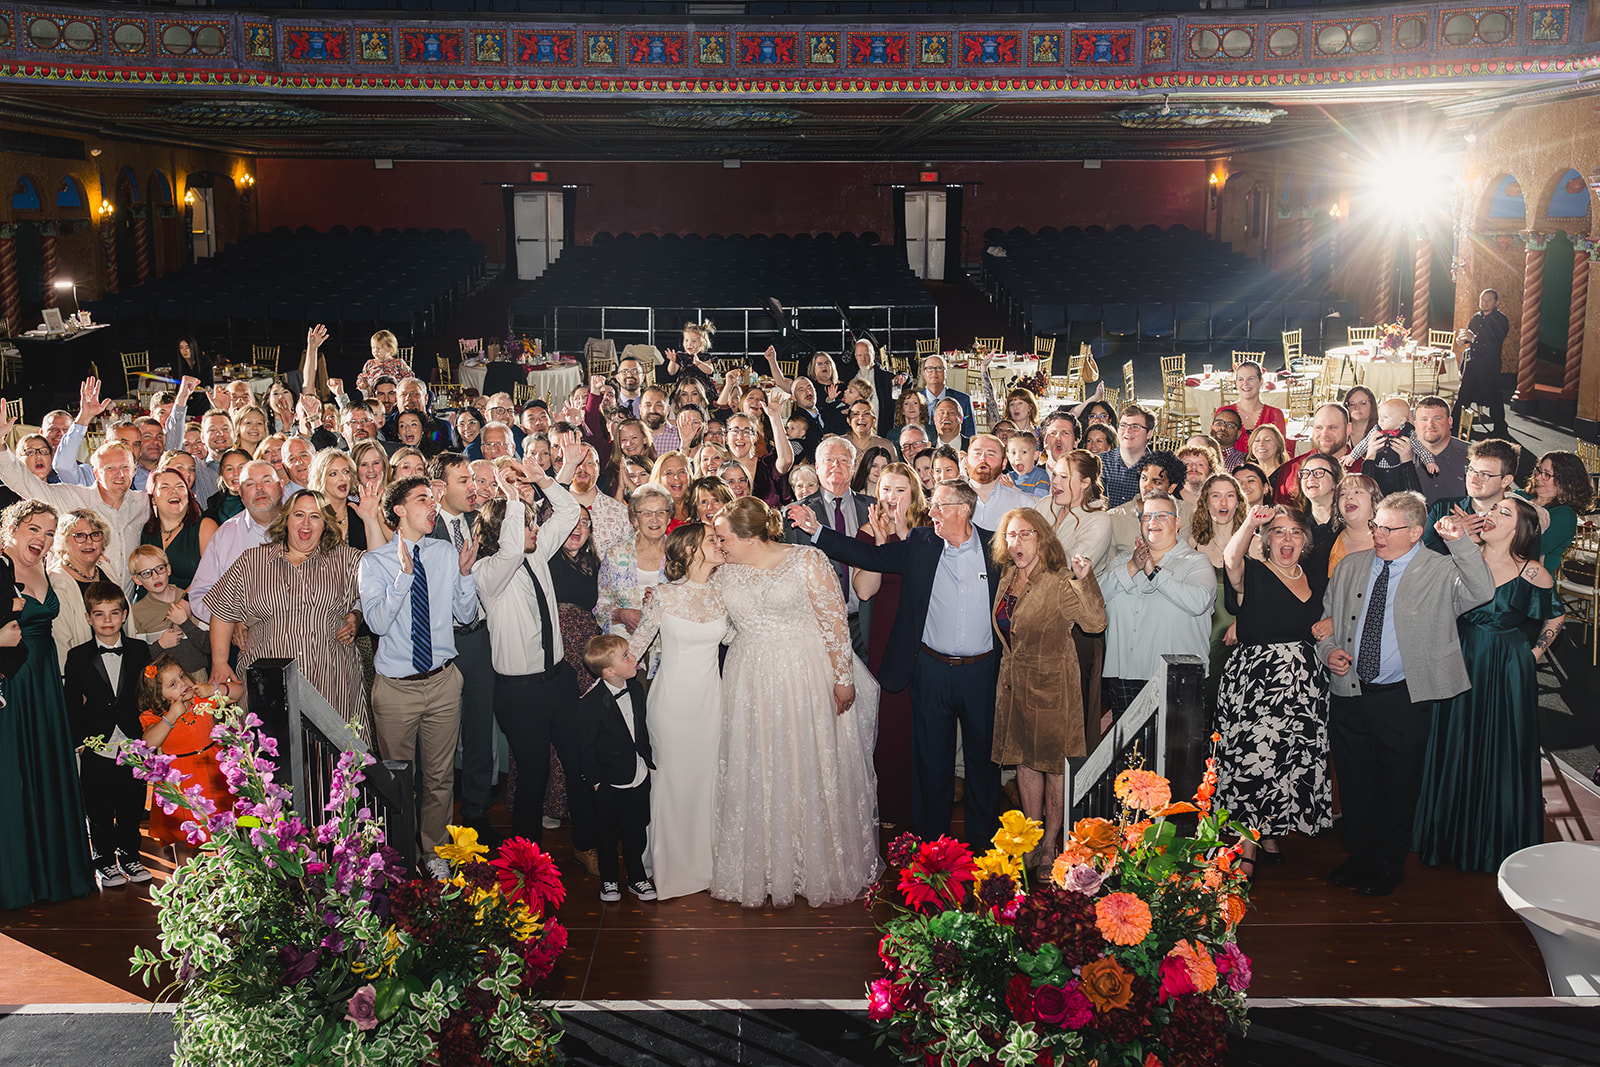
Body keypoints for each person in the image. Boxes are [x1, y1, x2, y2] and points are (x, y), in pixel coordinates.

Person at [799, 480, 1002, 850]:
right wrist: (817, 531)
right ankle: (933, 851)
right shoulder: (923, 544)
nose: (932, 513)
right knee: (931, 765)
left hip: (982, 673)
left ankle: (984, 852)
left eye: (940, 506)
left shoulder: (995, 547)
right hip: (931, 670)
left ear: (964, 509)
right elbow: (871, 559)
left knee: (983, 766)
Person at [1315, 493, 1494, 896]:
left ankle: (1387, 866)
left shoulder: (1440, 570)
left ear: (1415, 533)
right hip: (1351, 692)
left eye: (1387, 528)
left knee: (1397, 785)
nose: (1377, 533)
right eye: (1376, 525)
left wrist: (1459, 542)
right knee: (1355, 782)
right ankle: (1358, 857)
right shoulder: (1350, 566)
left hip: (1404, 697)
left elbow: (1482, 590)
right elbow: (1325, 624)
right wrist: (1330, 653)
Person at [711, 497, 881, 907]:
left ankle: (817, 864)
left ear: (749, 537)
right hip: (749, 676)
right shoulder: (723, 573)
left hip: (804, 672)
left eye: (723, 537)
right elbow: (717, 623)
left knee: (806, 759)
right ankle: (764, 864)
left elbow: (835, 621)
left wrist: (843, 679)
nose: (718, 545)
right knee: (759, 763)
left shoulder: (807, 560)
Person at [1416, 496, 1563, 874]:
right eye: (1493, 509)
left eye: (1504, 512)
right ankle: (1446, 835)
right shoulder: (1465, 556)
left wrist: (1533, 654)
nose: (1492, 515)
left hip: (1504, 665)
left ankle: (1492, 842)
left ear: (1520, 528)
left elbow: (1555, 618)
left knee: (1499, 748)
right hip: (1459, 654)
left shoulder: (1532, 572)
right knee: (1454, 742)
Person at [358, 477, 479, 879]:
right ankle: (401, 856)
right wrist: (403, 578)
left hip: (444, 682)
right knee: (398, 781)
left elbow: (464, 615)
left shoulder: (445, 552)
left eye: (433, 498)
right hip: (396, 691)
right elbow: (375, 622)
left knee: (441, 778)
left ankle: (434, 853)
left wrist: (464, 575)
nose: (432, 505)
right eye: (422, 499)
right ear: (398, 511)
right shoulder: (374, 563)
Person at [473, 461, 584, 854]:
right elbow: (510, 549)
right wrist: (511, 498)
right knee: (533, 777)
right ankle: (524, 863)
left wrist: (542, 480)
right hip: (519, 694)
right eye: (526, 524)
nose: (535, 530)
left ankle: (588, 846)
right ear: (502, 530)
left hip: (559, 680)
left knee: (578, 765)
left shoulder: (536, 552)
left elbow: (570, 512)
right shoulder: (487, 572)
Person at [1216, 505, 1332, 874]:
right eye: (1279, 532)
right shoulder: (1253, 572)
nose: (1287, 539)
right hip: (1256, 684)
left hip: (1303, 690)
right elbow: (1230, 556)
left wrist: (1330, 621)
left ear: (1305, 541)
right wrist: (1251, 522)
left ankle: (1270, 833)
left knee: (1284, 764)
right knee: (1253, 761)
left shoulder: (1316, 579)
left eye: (1295, 532)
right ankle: (1247, 846)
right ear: (1266, 540)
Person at [989, 507, 1105, 872]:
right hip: (1016, 687)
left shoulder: (1059, 579)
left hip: (1054, 690)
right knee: (1024, 762)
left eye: (1026, 534)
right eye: (1011, 535)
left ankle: (1051, 846)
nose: (1017, 542)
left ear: (1042, 538)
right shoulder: (1007, 576)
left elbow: (1095, 622)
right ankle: (1033, 838)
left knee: (1054, 768)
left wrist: (1086, 579)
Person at [0, 500, 95, 908]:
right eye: (34, 529)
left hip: (47, 687)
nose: (41, 538)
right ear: (12, 528)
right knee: (13, 779)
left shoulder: (50, 570)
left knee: (48, 774)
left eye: (50, 532)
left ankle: (55, 875)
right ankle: (17, 882)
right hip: (13, 687)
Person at [206, 490, 366, 730]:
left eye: (315, 516)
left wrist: (357, 614)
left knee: (333, 760)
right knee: (269, 757)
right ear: (286, 519)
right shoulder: (253, 561)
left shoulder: (348, 560)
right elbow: (222, 610)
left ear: (326, 523)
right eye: (298, 514)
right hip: (265, 684)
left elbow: (381, 595)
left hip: (332, 681)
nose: (305, 523)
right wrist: (219, 662)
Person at [626, 522, 726, 901]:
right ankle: (669, 866)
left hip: (710, 702)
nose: (719, 544)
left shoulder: (723, 594)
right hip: (670, 703)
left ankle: (707, 864)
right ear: (688, 552)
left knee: (706, 780)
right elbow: (637, 646)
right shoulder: (664, 596)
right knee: (671, 781)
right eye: (711, 540)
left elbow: (737, 637)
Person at [849, 463, 928, 830]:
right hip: (887, 631)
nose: (891, 497)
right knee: (892, 719)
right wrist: (882, 544)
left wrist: (901, 534)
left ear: (913, 493)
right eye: (885, 490)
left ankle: (925, 801)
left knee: (925, 718)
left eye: (899, 490)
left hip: (928, 631)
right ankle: (892, 806)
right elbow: (865, 590)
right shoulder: (868, 533)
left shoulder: (928, 531)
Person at [66, 581, 154, 889]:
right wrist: (78, 741)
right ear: (89, 618)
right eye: (99, 614)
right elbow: (72, 701)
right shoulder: (77, 657)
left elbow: (149, 692)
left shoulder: (140, 650)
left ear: (124, 615)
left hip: (132, 740)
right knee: (99, 809)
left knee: (131, 805)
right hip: (96, 744)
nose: (107, 620)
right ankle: (103, 861)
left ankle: (130, 855)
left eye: (114, 613)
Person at [1102, 489, 1216, 714]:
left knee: (1176, 750)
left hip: (1179, 676)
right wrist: (1133, 567)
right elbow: (1096, 600)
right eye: (1146, 516)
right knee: (1130, 750)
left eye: (1162, 516)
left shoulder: (1196, 562)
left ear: (1178, 523)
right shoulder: (1123, 562)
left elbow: (1199, 601)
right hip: (1124, 676)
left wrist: (1155, 573)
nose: (1152, 521)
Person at [576, 635, 657, 903]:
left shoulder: (635, 690)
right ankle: (610, 879)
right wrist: (596, 782)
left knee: (636, 830)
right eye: (626, 656)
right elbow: (584, 747)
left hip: (638, 774)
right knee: (607, 834)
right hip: (609, 782)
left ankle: (637, 877)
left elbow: (639, 730)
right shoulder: (590, 703)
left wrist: (645, 761)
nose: (633, 658)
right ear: (609, 671)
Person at [785, 436, 874, 657]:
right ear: (817, 467)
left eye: (844, 459)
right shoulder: (794, 514)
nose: (836, 465)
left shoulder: (874, 509)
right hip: (815, 626)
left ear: (853, 467)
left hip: (866, 622)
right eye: (829, 459)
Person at [139, 654, 232, 847]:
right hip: (179, 777)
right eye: (172, 685)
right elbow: (148, 743)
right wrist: (171, 716)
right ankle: (187, 874)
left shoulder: (201, 700)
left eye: (182, 676)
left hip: (213, 768)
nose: (182, 684)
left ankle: (227, 870)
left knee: (223, 826)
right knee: (183, 833)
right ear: (159, 696)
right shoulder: (155, 716)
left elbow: (238, 692)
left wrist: (213, 688)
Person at [189, 460, 284, 625]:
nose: (259, 488)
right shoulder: (225, 535)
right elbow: (200, 595)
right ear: (240, 493)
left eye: (266, 481)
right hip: (244, 641)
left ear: (281, 486)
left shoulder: (303, 527)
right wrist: (232, 622)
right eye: (250, 484)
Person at [1188, 471, 1243, 709]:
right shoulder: (1193, 544)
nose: (1223, 503)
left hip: (1240, 634)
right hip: (1201, 633)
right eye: (1216, 496)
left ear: (1238, 502)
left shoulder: (1256, 543)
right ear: (1205, 501)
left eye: (1230, 496)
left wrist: (1244, 623)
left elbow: (1266, 596)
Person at [596, 483, 673, 639]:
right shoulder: (615, 555)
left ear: (669, 517)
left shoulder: (679, 555)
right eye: (646, 513)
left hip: (666, 646)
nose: (654, 519)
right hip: (623, 646)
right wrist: (622, 615)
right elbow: (601, 607)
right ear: (635, 518)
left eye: (660, 512)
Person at [1423, 437, 1521, 551]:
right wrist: (1448, 539)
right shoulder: (1441, 509)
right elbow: (1420, 558)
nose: (1472, 479)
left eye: (1484, 474)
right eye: (1471, 470)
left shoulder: (1519, 523)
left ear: (1506, 480)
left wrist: (1469, 543)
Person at [127, 545, 208, 679]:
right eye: (146, 573)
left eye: (159, 569)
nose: (155, 576)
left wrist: (185, 623)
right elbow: (139, 659)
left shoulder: (191, 600)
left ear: (168, 569)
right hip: (161, 682)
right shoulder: (136, 612)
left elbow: (209, 647)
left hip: (197, 679)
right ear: (137, 579)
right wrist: (161, 645)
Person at [140, 467, 218, 590]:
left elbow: (213, 575)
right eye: (164, 487)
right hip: (148, 605)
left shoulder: (205, 527)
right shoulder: (144, 530)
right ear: (153, 499)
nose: (174, 491)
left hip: (190, 604)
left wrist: (184, 603)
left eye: (180, 486)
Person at [1346, 396, 1440, 497]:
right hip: (1378, 471)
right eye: (1380, 417)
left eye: (1385, 417)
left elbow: (1420, 449)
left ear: (1401, 421)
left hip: (1397, 472)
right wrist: (1352, 456)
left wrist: (1429, 461)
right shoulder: (1376, 430)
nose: (1381, 421)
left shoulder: (1408, 433)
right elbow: (1364, 444)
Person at [1271, 403, 1362, 500]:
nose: (1324, 434)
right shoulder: (1292, 470)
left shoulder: (1364, 469)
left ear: (1348, 429)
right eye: (1319, 428)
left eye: (1332, 427)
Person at [1454, 289, 1512, 437]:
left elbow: (1494, 342)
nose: (1484, 303)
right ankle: (1455, 425)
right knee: (1464, 395)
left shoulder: (1501, 320)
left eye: (1488, 300)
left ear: (1496, 302)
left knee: (1494, 397)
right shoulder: (1476, 318)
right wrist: (1462, 340)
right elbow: (1469, 336)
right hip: (1473, 362)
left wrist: (1473, 339)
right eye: (1482, 300)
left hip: (1490, 364)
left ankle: (1500, 428)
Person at [1527, 449, 1593, 575]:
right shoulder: (1520, 495)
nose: (1538, 477)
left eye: (1547, 474)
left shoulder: (1564, 515)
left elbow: (1532, 548)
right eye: (1539, 470)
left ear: (1565, 483)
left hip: (1530, 584)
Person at [965, 433, 1033, 529]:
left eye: (991, 454)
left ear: (1004, 463)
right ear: (966, 461)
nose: (983, 458)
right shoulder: (949, 501)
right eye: (977, 453)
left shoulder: (1023, 504)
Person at [1217, 360, 1286, 451]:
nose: (1245, 383)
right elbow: (1215, 451)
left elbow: (1280, 453)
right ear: (1236, 383)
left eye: (1251, 379)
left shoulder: (1275, 414)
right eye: (1241, 379)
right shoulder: (1223, 413)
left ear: (1261, 381)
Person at [1414, 396, 1469, 504]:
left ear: (1450, 422)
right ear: (1416, 425)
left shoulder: (1471, 456)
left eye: (1438, 418)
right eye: (1424, 419)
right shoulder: (1403, 456)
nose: (1430, 425)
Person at [1101, 404, 1158, 508]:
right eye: (1123, 425)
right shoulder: (1099, 463)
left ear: (1149, 433)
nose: (1127, 431)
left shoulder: (1158, 468)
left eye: (1135, 427)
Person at [1289, 452, 1344, 554]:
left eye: (1318, 473)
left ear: (1336, 482)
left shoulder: (1348, 522)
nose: (1310, 478)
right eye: (1305, 473)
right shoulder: (1294, 523)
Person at [919, 354, 975, 437]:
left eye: (939, 368)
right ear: (924, 374)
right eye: (930, 369)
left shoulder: (963, 400)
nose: (934, 372)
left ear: (946, 373)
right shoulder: (916, 401)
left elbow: (970, 435)